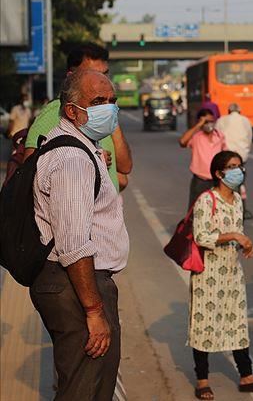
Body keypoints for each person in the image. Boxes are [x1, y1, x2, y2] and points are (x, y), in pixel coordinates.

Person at [30, 68, 129, 400]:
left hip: (76, 283)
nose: (109, 108)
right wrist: (93, 310)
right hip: (77, 285)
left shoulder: (78, 147)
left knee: (94, 385)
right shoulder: (72, 159)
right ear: (72, 111)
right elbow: (73, 243)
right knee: (85, 388)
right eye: (98, 101)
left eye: (112, 101)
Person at [188, 150, 253, 400]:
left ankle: (246, 375)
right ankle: (202, 380)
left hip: (232, 273)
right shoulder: (206, 200)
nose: (238, 171)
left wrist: (246, 244)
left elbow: (238, 231)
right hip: (207, 274)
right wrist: (234, 236)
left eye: (240, 165)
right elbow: (201, 237)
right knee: (204, 325)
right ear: (218, 173)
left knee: (236, 324)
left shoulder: (236, 199)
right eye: (232, 166)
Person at [25, 43, 133, 192]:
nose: (101, 81)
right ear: (71, 77)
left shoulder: (102, 112)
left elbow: (124, 166)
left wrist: (110, 113)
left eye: (105, 74)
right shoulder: (53, 114)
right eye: (93, 75)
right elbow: (29, 175)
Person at [179, 108, 226, 209]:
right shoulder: (196, 137)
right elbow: (182, 141)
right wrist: (199, 125)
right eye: (206, 122)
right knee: (196, 210)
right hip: (200, 181)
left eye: (211, 121)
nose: (209, 124)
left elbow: (225, 155)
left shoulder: (219, 136)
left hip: (216, 180)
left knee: (217, 209)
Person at [215, 103, 253, 219]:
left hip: (226, 157)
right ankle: (241, 209)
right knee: (240, 183)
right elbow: (249, 138)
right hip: (241, 156)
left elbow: (217, 136)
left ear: (228, 111)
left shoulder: (222, 120)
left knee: (225, 183)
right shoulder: (245, 121)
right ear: (240, 111)